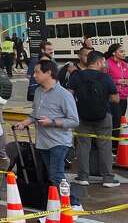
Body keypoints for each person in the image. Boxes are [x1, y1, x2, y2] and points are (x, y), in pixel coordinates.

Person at [13, 60, 81, 210]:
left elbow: (74, 121)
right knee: (51, 175)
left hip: (59, 142)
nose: (34, 75)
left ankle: (73, 202)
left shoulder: (64, 95)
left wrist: (52, 122)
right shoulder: (38, 91)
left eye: (37, 72)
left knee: (56, 174)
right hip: (42, 142)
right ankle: (60, 203)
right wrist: (25, 123)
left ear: (49, 73)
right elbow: (35, 114)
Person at [68, 51, 119, 188]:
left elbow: (69, 95)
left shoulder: (76, 76)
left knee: (83, 146)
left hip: (82, 117)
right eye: (103, 61)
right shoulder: (106, 78)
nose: (105, 64)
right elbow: (115, 99)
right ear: (97, 62)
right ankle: (107, 178)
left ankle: (83, 176)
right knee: (105, 147)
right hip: (103, 117)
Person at [107, 43, 128, 151]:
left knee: (120, 121)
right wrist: (118, 81)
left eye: (124, 51)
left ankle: (117, 145)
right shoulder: (108, 64)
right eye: (121, 51)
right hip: (113, 98)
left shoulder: (125, 65)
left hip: (124, 98)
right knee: (114, 121)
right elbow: (105, 79)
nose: (124, 53)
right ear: (114, 53)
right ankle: (113, 145)